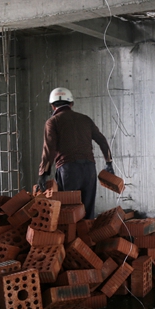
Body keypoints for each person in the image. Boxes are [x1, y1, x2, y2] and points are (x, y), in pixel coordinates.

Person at [38, 87, 113, 219]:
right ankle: (88, 232)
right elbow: (102, 140)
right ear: (71, 103)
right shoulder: (85, 119)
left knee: (69, 213)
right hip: (89, 169)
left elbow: (49, 149)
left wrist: (43, 174)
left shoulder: (52, 122)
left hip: (69, 170)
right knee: (88, 213)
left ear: (52, 106)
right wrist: (109, 163)